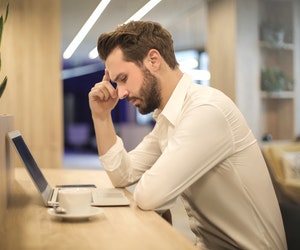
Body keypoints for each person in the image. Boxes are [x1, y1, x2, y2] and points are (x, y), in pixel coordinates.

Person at [88, 20, 287, 249]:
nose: (120, 92)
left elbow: (149, 195)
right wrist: (101, 116)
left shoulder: (206, 111)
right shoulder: (169, 118)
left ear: (153, 60)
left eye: (123, 78)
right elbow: (123, 174)